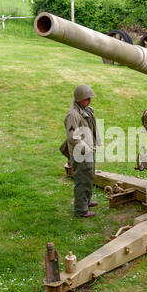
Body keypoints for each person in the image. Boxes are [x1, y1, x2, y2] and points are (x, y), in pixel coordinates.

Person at [64, 85, 100, 218]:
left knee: (88, 176)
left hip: (88, 150)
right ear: (79, 99)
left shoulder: (86, 109)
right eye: (87, 98)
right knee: (82, 180)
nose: (90, 100)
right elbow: (73, 137)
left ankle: (86, 201)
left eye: (90, 98)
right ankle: (81, 210)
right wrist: (87, 149)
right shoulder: (73, 114)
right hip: (81, 153)